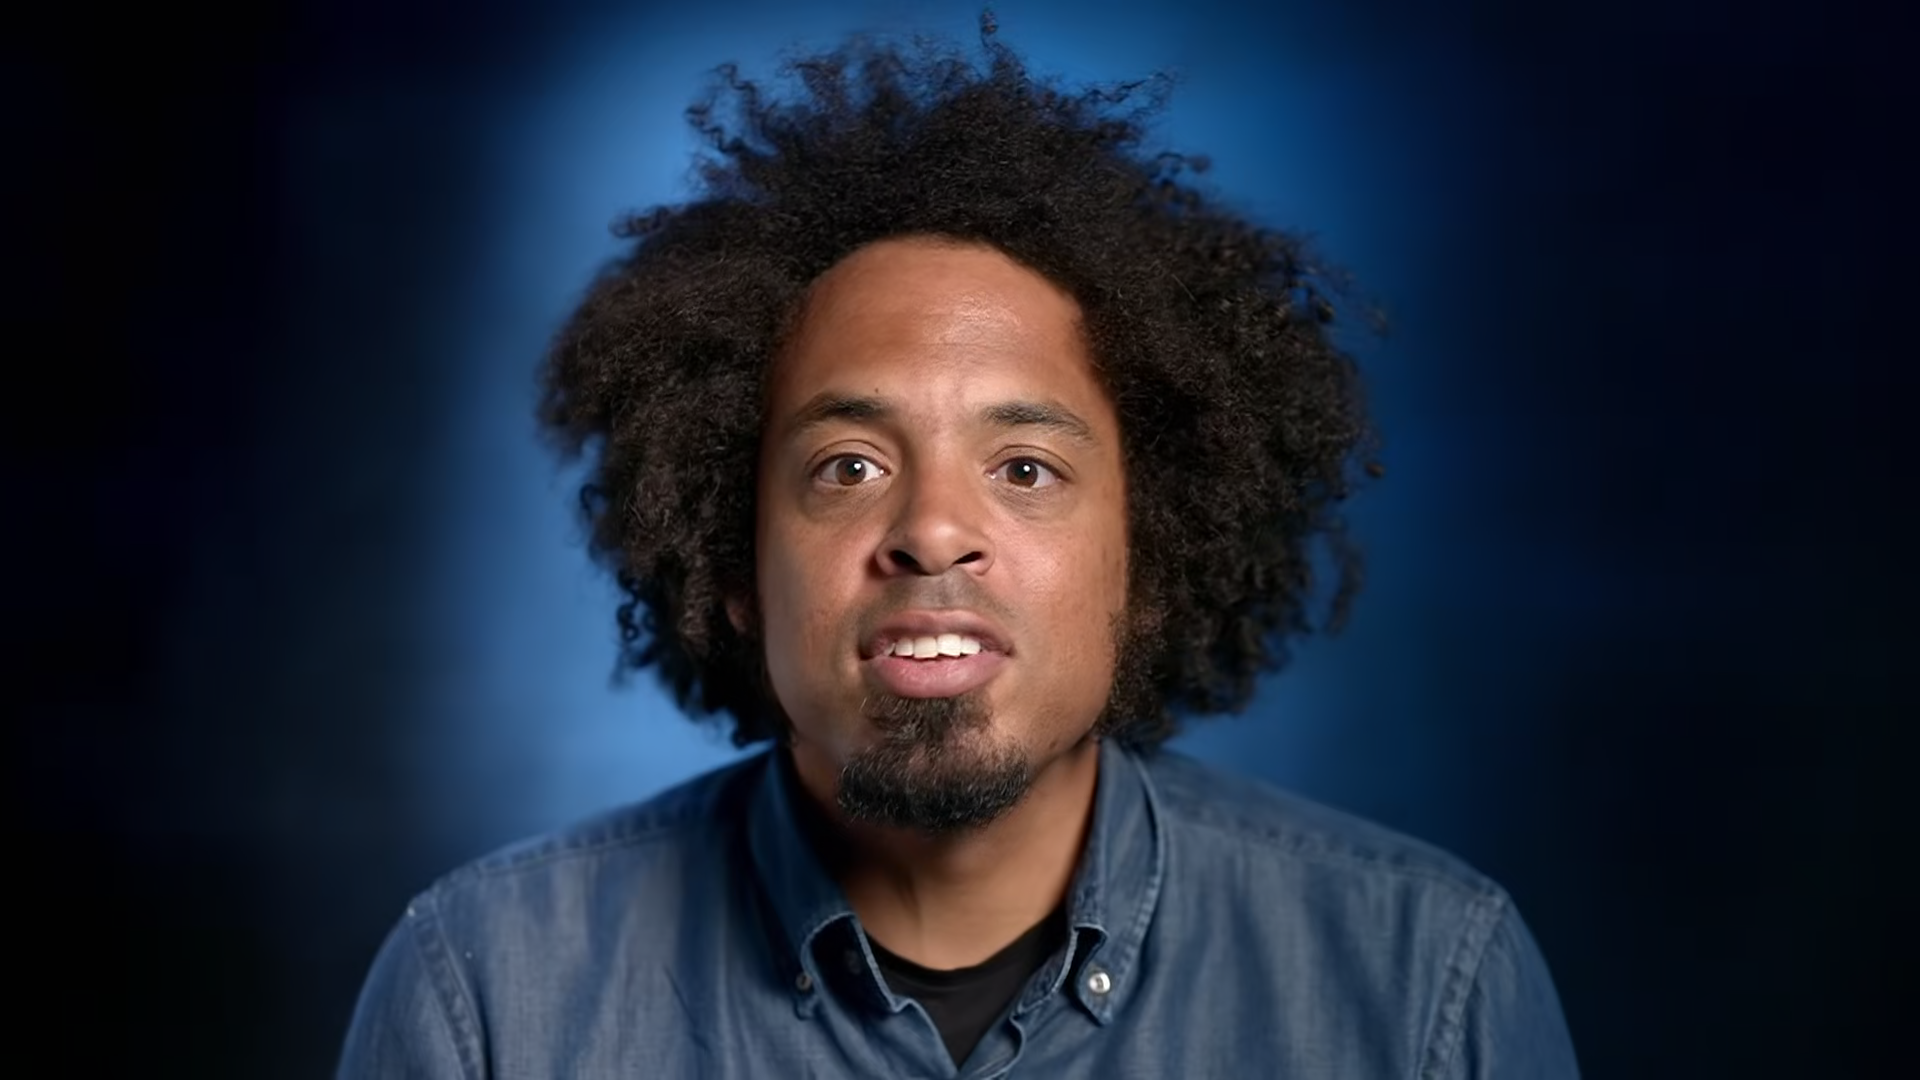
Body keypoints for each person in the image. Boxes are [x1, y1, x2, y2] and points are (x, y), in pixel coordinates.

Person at [338, 19, 1579, 1078]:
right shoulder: (486, 995)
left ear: (1152, 566)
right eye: (849, 468)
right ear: (732, 569)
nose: (932, 531)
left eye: (1024, 469)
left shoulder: (1428, 984)